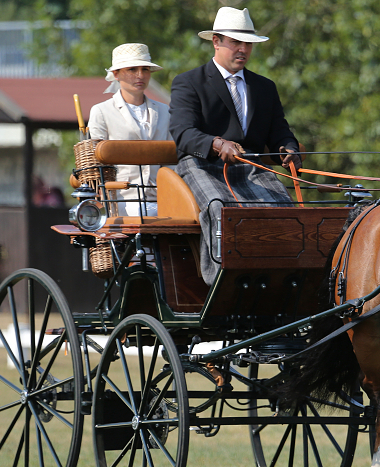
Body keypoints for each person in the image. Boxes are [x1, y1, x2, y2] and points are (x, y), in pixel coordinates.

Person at [170, 6, 302, 286]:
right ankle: (222, 283)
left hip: (252, 166)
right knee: (223, 212)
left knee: (288, 212)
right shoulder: (188, 83)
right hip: (203, 165)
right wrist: (217, 144)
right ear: (216, 41)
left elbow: (280, 131)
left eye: (247, 44)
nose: (242, 49)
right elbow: (183, 133)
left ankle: (285, 282)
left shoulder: (264, 87)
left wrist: (287, 150)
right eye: (235, 42)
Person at [88, 43, 170, 217]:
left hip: (162, 199)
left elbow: (171, 160)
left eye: (145, 69)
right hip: (121, 201)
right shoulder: (101, 111)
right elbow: (98, 164)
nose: (140, 75)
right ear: (116, 74)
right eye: (132, 69)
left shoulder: (165, 111)